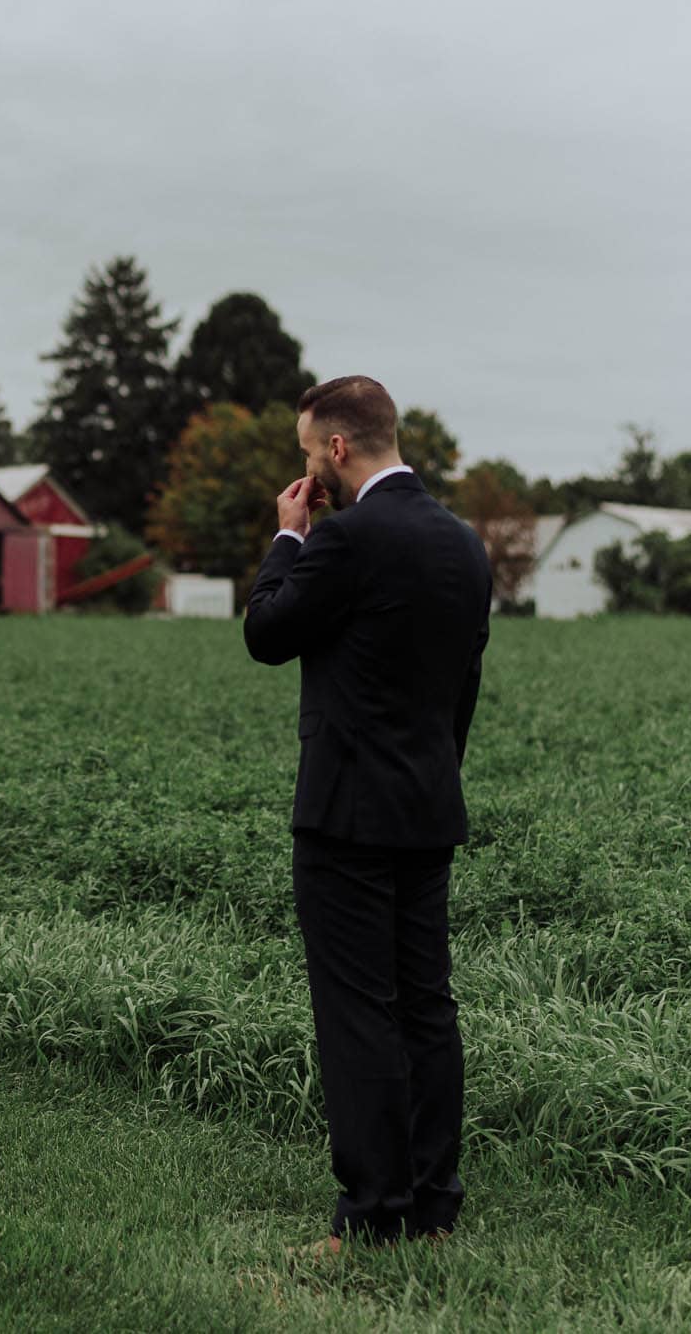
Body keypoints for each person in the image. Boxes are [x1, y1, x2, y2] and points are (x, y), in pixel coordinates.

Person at [241, 377, 491, 1255]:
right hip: (428, 809)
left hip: (346, 816)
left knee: (357, 1012)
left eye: (311, 454)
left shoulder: (345, 538)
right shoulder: (465, 544)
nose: (310, 469)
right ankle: (433, 1205)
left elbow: (267, 632)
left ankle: (373, 1214)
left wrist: (287, 535)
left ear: (338, 449)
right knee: (426, 1005)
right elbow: (462, 687)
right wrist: (429, 776)